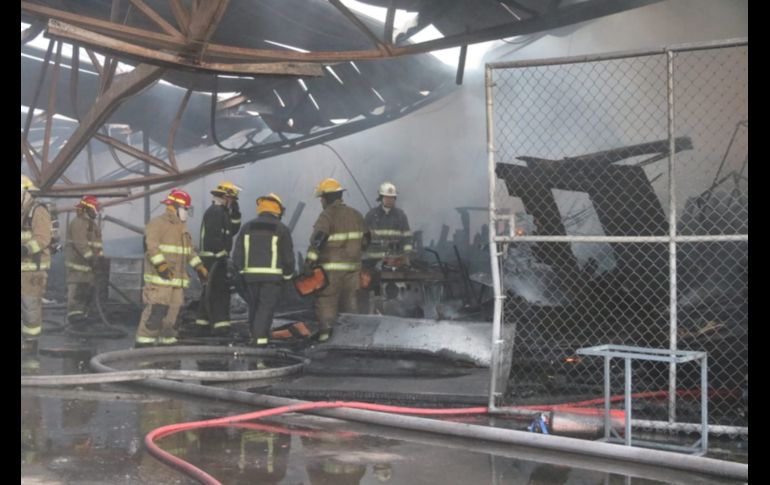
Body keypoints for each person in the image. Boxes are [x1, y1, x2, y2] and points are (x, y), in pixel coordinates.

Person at [135, 189, 207, 347]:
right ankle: (143, 346)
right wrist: (161, 265)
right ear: (175, 206)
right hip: (160, 281)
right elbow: (152, 247)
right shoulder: (157, 223)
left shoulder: (182, 228)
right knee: (156, 313)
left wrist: (199, 267)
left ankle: (167, 346)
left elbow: (189, 251)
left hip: (177, 282)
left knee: (172, 318)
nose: (186, 212)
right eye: (185, 208)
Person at [303, 178, 367, 342]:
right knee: (350, 305)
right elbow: (366, 240)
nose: (321, 202)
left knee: (327, 303)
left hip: (331, 272)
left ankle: (326, 340)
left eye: (321, 199)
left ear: (326, 198)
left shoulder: (327, 215)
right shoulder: (356, 215)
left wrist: (309, 262)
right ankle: (350, 341)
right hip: (353, 270)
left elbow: (318, 240)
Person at [232, 193, 295, 346]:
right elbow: (288, 258)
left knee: (254, 307)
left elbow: (238, 254)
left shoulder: (247, 227)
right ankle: (259, 342)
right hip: (272, 279)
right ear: (277, 209)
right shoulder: (281, 229)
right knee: (265, 309)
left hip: (250, 277)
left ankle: (255, 337)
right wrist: (288, 277)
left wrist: (240, 273)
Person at [193, 181, 242, 336]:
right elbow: (213, 237)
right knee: (219, 293)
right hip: (213, 259)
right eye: (232, 199)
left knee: (210, 292)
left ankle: (202, 324)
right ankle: (221, 327)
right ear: (225, 197)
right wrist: (223, 256)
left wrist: (236, 212)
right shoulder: (215, 212)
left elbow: (232, 230)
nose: (232, 201)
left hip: (216, 259)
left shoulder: (222, 212)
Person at [21, 174, 51, 352]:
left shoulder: (38, 211)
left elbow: (43, 238)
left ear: (26, 193)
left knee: (30, 306)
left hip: (33, 270)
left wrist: (25, 249)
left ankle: (31, 342)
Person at [64, 195, 103, 327]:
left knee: (86, 292)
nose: (96, 212)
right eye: (94, 209)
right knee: (77, 292)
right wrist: (91, 258)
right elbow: (81, 243)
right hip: (78, 266)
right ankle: (74, 318)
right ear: (86, 209)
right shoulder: (79, 223)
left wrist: (99, 259)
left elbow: (97, 245)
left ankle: (83, 316)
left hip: (88, 267)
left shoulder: (92, 224)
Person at [362, 182, 413, 268]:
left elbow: (407, 237)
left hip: (395, 262)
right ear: (381, 198)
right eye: (387, 197)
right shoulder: (371, 215)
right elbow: (363, 238)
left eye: (392, 197)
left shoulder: (400, 215)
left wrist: (407, 254)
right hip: (373, 262)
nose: (389, 200)